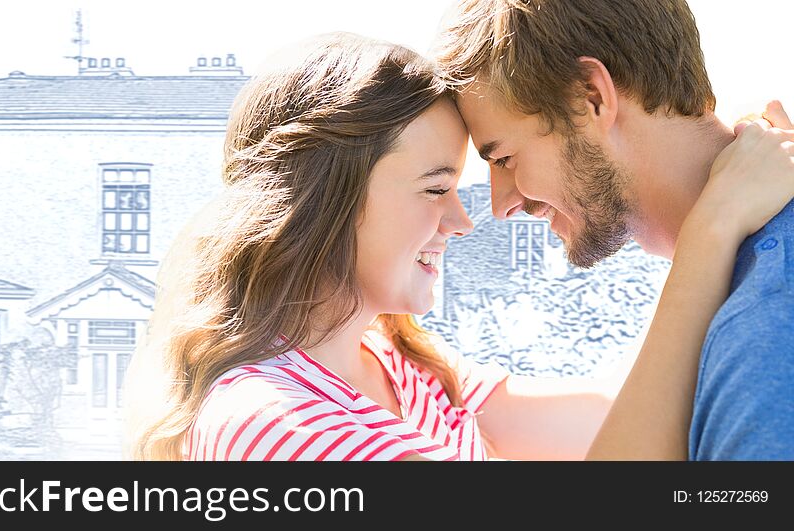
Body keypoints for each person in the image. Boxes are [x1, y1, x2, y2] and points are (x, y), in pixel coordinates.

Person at [123, 32, 794, 461]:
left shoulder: (404, 373)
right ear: (324, 201)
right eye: (435, 187)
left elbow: (629, 424)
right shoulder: (267, 425)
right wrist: (710, 230)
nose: (465, 219)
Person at [432, 0, 794, 459]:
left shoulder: (767, 328)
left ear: (591, 97)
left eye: (504, 158)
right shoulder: (737, 282)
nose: (501, 206)